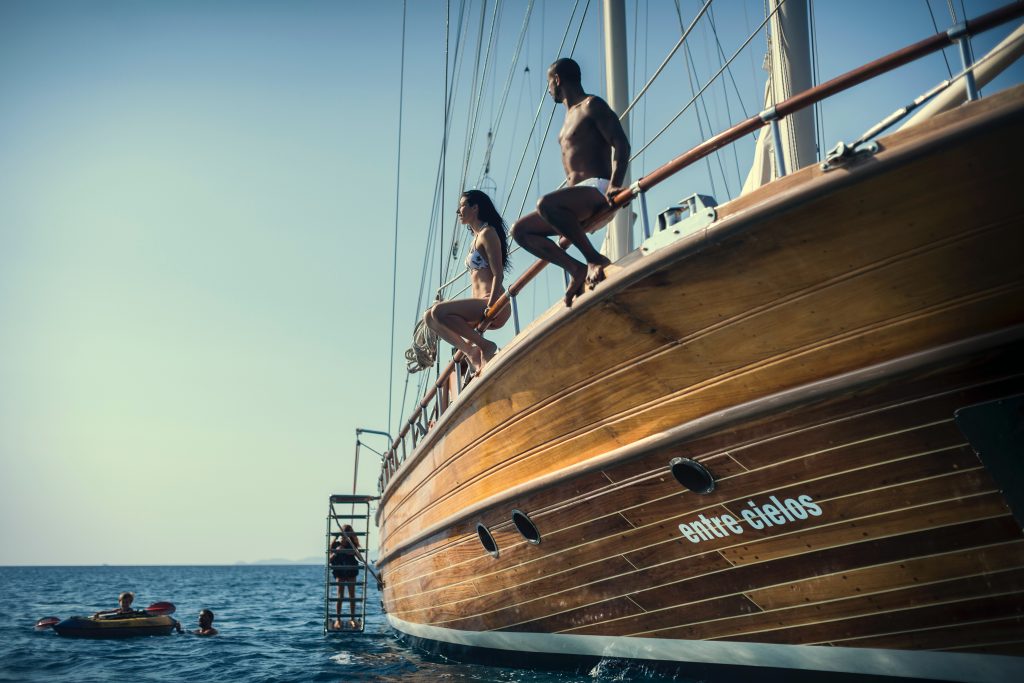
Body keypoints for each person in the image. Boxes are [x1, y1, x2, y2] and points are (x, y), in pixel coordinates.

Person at [511, 57, 630, 307]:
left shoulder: (591, 105)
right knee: (520, 231)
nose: (548, 89)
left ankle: (594, 258)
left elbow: (621, 144)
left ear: (557, 80)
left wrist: (615, 185)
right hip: (575, 201)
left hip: (598, 189)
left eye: (548, 83)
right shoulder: (566, 121)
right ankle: (575, 268)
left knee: (545, 204)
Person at [424, 190, 512, 374]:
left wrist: (491, 304)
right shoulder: (475, 239)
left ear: (475, 208)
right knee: (429, 318)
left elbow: (498, 274)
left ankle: (484, 346)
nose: (458, 211)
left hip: (494, 302)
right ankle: (471, 352)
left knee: (439, 311)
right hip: (480, 305)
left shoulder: (488, 233)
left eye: (462, 206)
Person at [330, 525, 369, 629]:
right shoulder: (335, 544)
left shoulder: (352, 545)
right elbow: (329, 560)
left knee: (352, 595)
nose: (344, 539)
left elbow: (361, 559)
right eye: (343, 537)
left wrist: (352, 551)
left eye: (346, 537)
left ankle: (352, 618)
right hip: (340, 572)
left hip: (351, 572)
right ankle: (338, 620)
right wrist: (336, 552)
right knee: (340, 596)